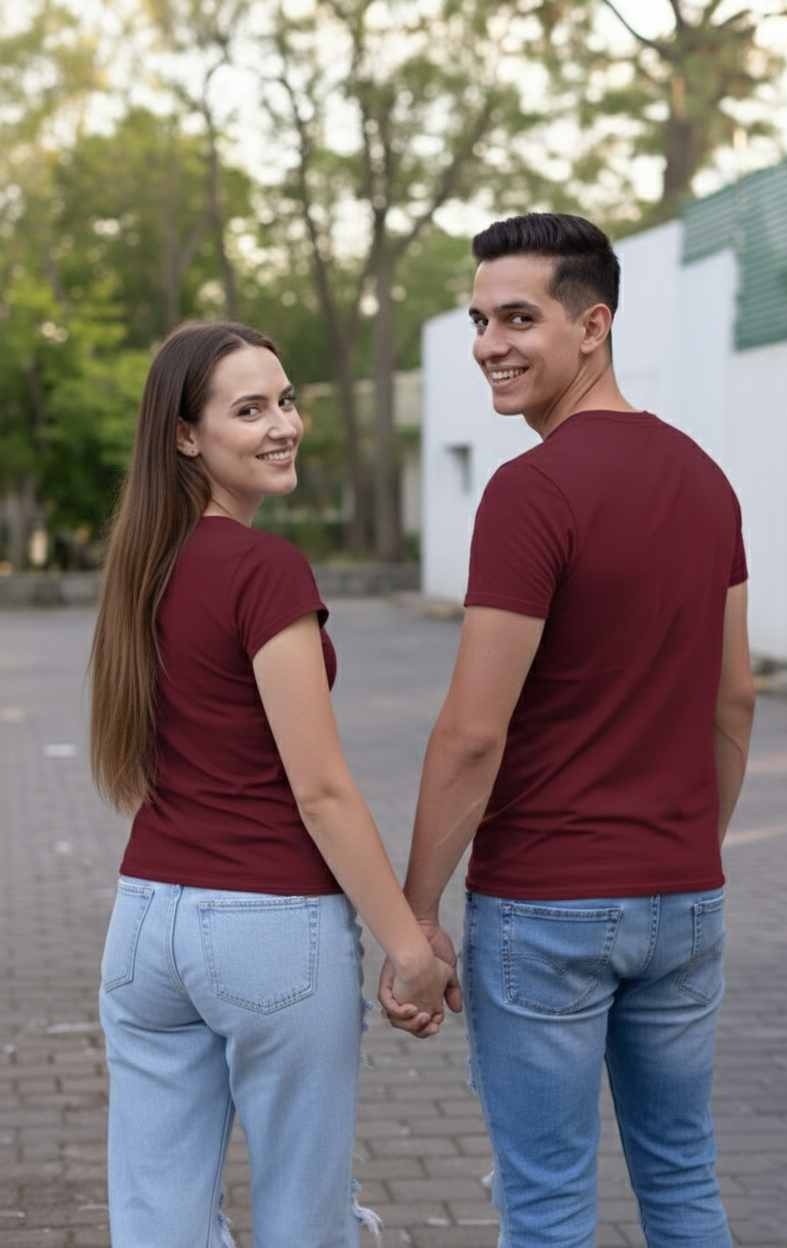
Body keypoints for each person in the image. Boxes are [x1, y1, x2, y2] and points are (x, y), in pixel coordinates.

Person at [380, 213, 756, 1247]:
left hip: (546, 908)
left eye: (518, 317)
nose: (489, 343)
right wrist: (688, 851)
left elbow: (469, 733)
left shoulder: (530, 491)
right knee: (683, 1182)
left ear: (593, 325)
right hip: (682, 898)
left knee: (546, 1204)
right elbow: (735, 699)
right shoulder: (703, 478)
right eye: (478, 319)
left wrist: (414, 918)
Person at [89, 320, 452, 1248]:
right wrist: (407, 942)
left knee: (156, 1220)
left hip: (144, 928)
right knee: (303, 1216)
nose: (282, 424)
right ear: (185, 434)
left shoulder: (140, 567)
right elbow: (321, 791)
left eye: (286, 400)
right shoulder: (264, 569)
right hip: (268, 930)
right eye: (248, 410)